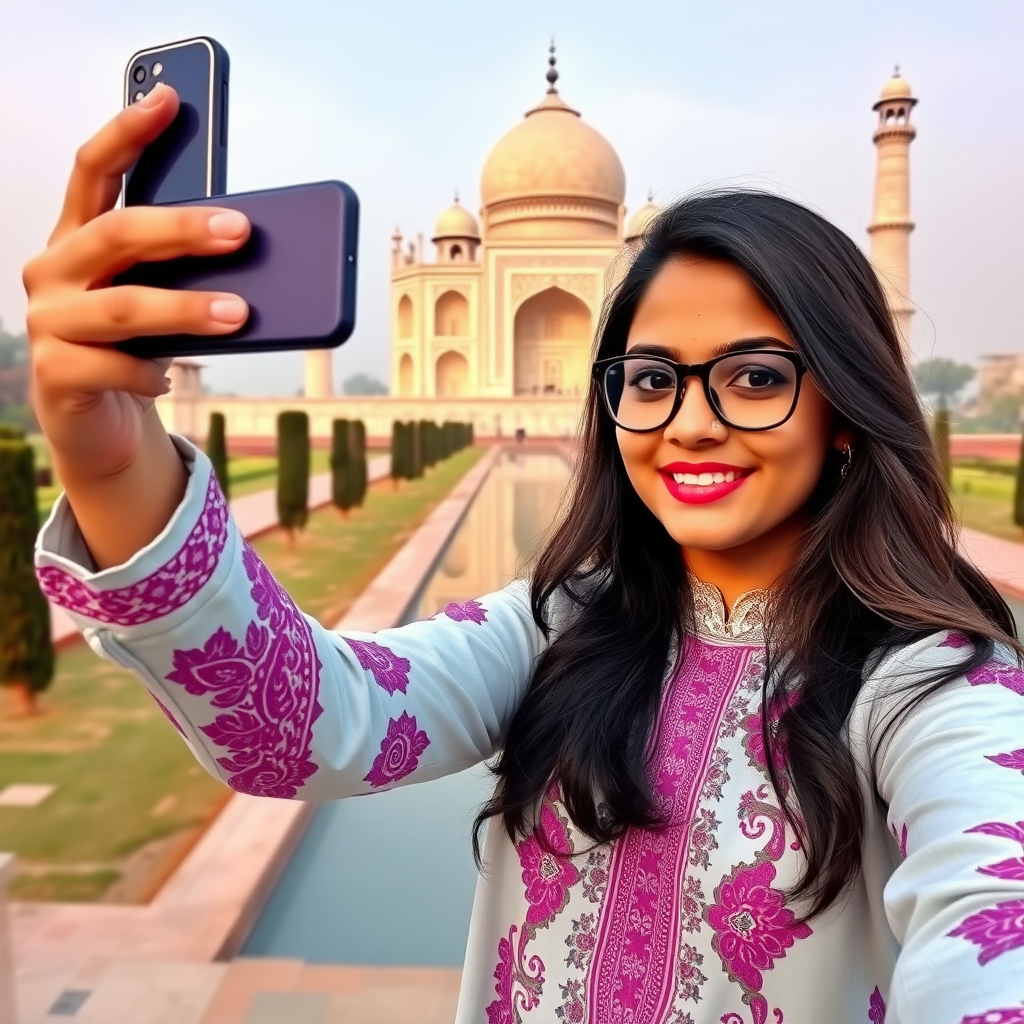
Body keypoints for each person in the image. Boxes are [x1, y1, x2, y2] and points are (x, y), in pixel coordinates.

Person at [26, 86, 1024, 1024]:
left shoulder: (931, 689)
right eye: (648, 378)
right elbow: (291, 726)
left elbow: (994, 911)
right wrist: (108, 459)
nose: (690, 424)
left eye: (754, 378)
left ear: (844, 408)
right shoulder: (554, 628)